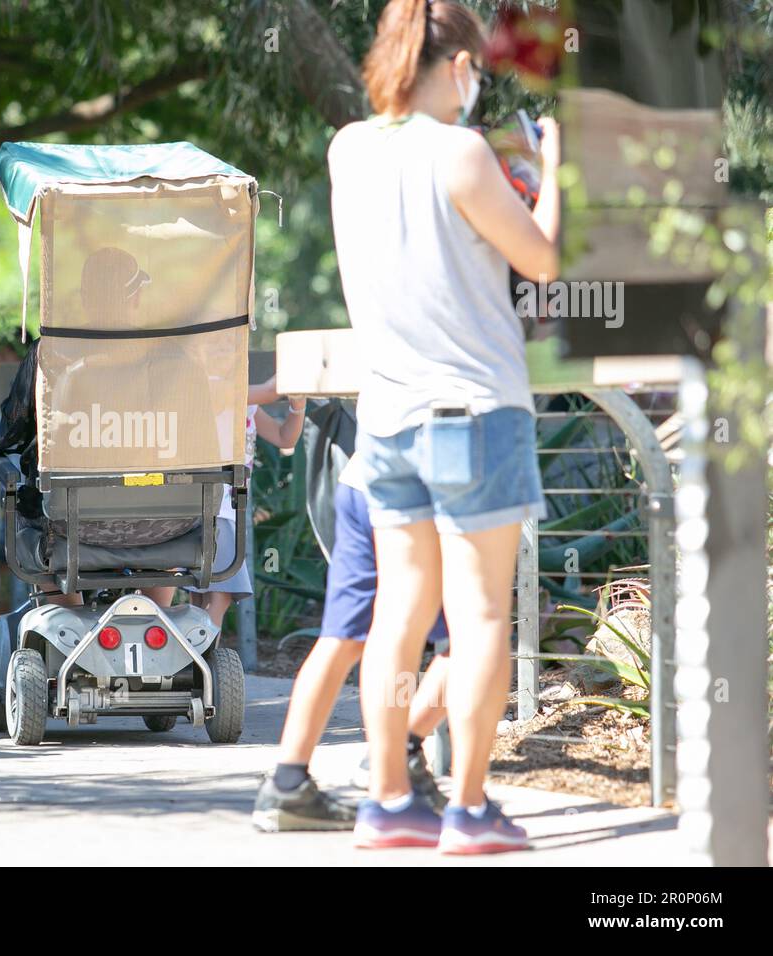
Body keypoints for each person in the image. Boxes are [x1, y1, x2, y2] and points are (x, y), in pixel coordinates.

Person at [327, 0, 559, 852]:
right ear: (460, 68)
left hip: (386, 420)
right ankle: (467, 807)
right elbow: (541, 258)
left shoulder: (348, 149)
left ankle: (387, 799)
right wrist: (552, 169)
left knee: (398, 611)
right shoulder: (462, 152)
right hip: (473, 411)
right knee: (482, 617)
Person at [252, 464, 450, 832]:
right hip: (423, 487)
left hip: (362, 476)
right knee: (468, 639)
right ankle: (399, 750)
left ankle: (288, 781)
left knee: (342, 638)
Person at [186, 376, 305, 632]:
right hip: (214, 505)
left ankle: (197, 661)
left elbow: (285, 438)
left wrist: (298, 406)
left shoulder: (245, 401)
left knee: (204, 597)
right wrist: (296, 370)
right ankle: (203, 660)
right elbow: (271, 390)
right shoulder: (215, 385)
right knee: (219, 595)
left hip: (228, 507)